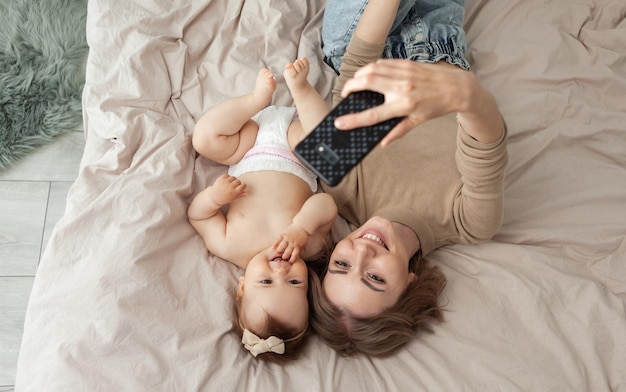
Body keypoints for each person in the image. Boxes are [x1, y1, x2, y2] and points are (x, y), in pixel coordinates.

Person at [307, 0, 508, 356]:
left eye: (341, 264)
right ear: (409, 286)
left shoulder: (340, 190)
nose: (363, 252)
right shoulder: (469, 222)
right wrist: (462, 94)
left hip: (363, 35)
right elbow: (487, 137)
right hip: (443, 36)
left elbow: (356, 69)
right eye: (374, 277)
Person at [187, 62, 337, 362]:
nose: (281, 271)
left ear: (242, 286)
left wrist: (214, 197)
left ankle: (255, 99)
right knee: (331, 151)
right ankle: (301, 88)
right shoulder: (309, 246)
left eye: (265, 282)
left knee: (203, 139)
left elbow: (198, 216)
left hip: (247, 145)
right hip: (298, 152)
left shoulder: (229, 246)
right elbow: (327, 205)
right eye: (295, 282)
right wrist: (302, 228)